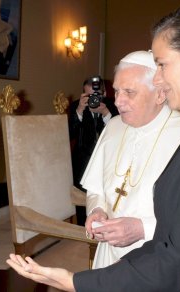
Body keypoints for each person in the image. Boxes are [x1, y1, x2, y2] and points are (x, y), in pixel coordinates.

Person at [7, 5, 180, 291]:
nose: (158, 78)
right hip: (146, 267)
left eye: (162, 64)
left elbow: (179, 257)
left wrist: (74, 282)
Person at [83, 50, 180, 269]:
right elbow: (96, 189)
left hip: (160, 256)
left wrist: (143, 228)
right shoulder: (113, 126)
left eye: (129, 92)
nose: (118, 101)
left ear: (160, 94)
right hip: (108, 255)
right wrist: (97, 210)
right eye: (116, 91)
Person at [69, 76, 118, 225]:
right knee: (81, 201)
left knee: (105, 199)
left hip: (108, 160)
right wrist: (79, 110)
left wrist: (105, 113)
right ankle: (83, 230)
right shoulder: (76, 106)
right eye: (88, 96)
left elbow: (121, 131)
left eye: (96, 96)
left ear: (103, 93)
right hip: (82, 161)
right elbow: (68, 134)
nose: (93, 99)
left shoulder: (113, 105)